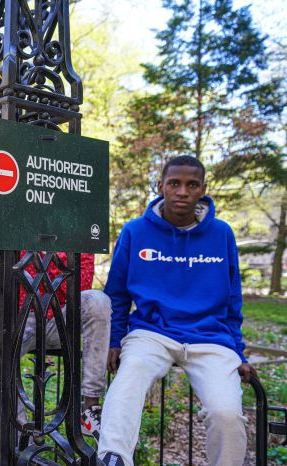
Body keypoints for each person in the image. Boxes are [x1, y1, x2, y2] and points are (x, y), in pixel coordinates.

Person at [98, 156, 253, 466]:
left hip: (211, 338)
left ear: (203, 190)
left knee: (227, 412)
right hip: (151, 334)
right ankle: (113, 459)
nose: (182, 191)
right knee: (127, 381)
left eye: (191, 185)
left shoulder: (222, 234)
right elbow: (115, 294)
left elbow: (233, 302)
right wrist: (114, 340)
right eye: (175, 184)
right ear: (161, 187)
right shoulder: (134, 231)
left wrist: (240, 353)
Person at [17, 252, 110, 440]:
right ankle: (19, 433)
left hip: (62, 316)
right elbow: (20, 281)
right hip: (24, 316)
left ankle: (90, 406)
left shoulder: (77, 233)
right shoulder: (23, 226)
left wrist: (47, 256)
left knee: (98, 301)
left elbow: (78, 285)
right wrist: (56, 264)